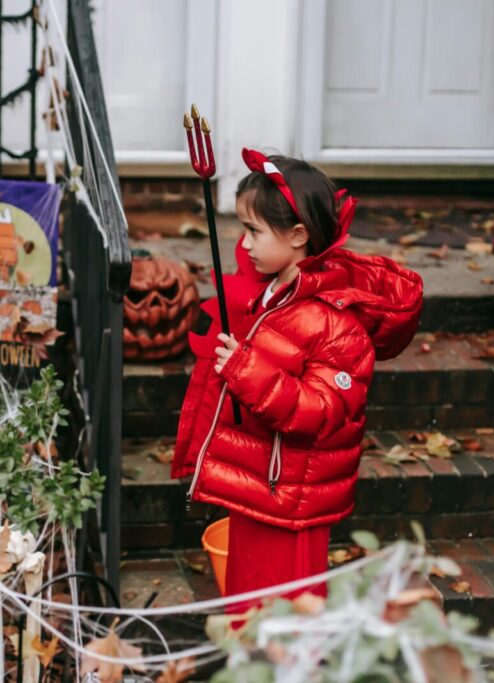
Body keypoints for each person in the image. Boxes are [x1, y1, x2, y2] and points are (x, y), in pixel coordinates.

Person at [171, 148, 423, 614]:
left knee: (286, 613)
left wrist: (247, 370)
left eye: (254, 231)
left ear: (298, 236)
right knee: (250, 605)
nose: (243, 244)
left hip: (293, 502)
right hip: (262, 485)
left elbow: (321, 411)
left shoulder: (335, 324)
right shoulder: (277, 295)